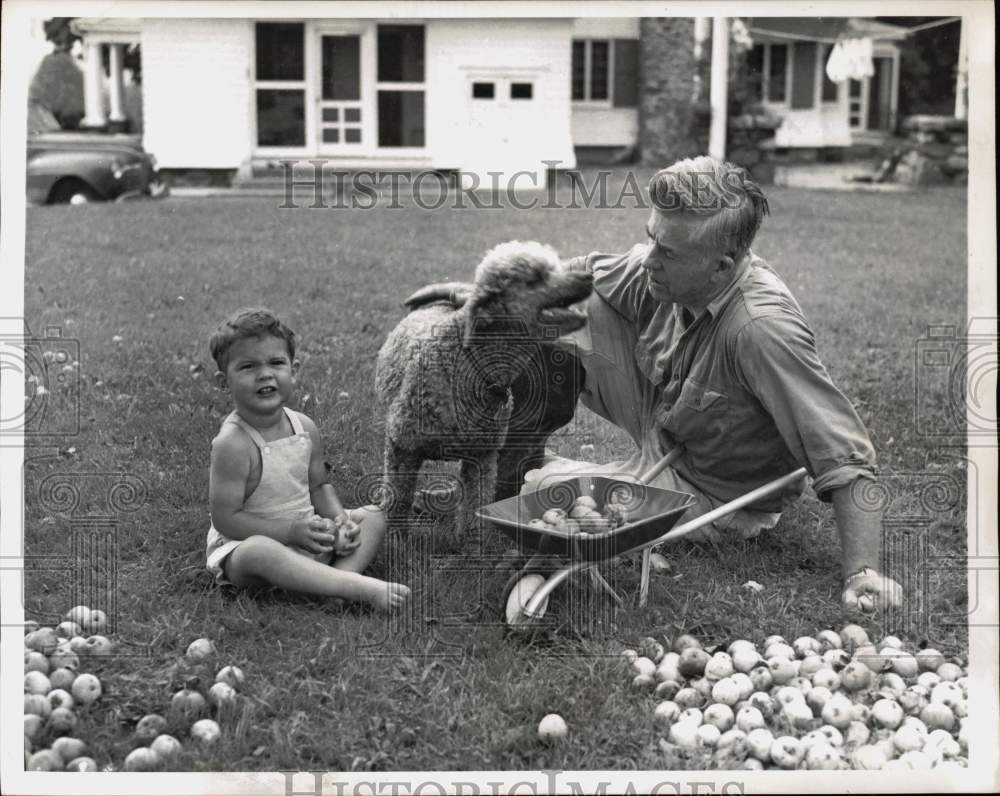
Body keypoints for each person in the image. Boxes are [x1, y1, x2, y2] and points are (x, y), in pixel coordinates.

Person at [406, 156, 904, 613]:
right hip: (663, 414)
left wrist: (862, 572)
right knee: (562, 315)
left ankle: (532, 477)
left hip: (714, 484)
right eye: (651, 239)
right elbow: (578, 277)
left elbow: (846, 457)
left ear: (722, 266)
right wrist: (485, 298)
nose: (648, 261)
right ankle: (512, 467)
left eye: (667, 253)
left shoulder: (761, 330)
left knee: (550, 498)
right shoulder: (660, 268)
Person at [206, 307, 410, 611]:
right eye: (248, 366)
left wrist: (340, 522)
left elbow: (318, 487)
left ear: (294, 370)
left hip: (307, 534)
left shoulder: (304, 427)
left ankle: (333, 586)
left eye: (276, 362)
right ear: (224, 383)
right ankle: (353, 586)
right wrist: (289, 532)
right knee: (258, 551)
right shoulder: (233, 443)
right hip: (248, 547)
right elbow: (227, 519)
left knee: (373, 516)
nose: (265, 374)